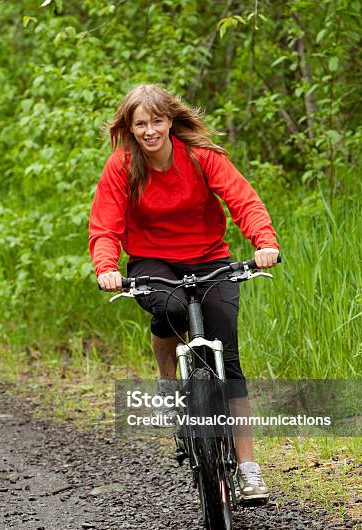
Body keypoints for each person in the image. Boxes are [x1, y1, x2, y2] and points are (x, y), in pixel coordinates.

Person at [89, 84, 279, 501]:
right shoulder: (122, 165)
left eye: (157, 121)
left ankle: (248, 468)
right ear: (130, 127)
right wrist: (106, 268)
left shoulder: (201, 157)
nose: (150, 130)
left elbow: (243, 200)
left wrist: (263, 243)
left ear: (171, 120)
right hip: (153, 263)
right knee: (170, 310)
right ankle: (167, 385)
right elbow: (105, 225)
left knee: (228, 359)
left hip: (211, 259)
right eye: (141, 123)